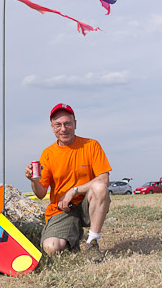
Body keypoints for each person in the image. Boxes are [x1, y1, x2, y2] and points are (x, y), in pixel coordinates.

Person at [25, 103, 111, 263]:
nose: (63, 129)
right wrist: (33, 181)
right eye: (58, 125)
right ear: (52, 127)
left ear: (75, 124)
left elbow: (104, 179)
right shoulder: (48, 154)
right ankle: (73, 236)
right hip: (62, 210)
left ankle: (92, 242)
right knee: (51, 248)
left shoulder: (91, 145)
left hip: (87, 205)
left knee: (100, 188)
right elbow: (40, 193)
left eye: (67, 123)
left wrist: (74, 191)